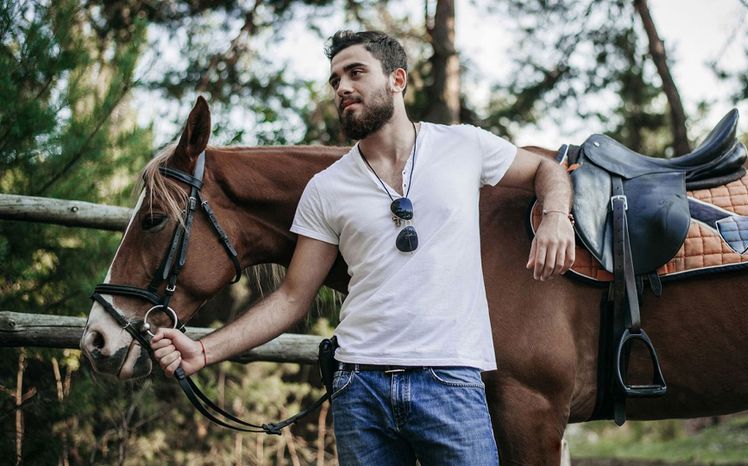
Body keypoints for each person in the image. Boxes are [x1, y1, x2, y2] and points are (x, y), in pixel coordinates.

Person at [151, 30, 575, 465]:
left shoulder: (463, 145)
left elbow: (547, 170)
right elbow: (292, 297)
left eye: (355, 73)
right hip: (359, 388)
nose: (342, 88)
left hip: (450, 381)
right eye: (335, 80)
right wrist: (204, 350)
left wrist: (556, 216)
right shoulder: (326, 187)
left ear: (397, 79)